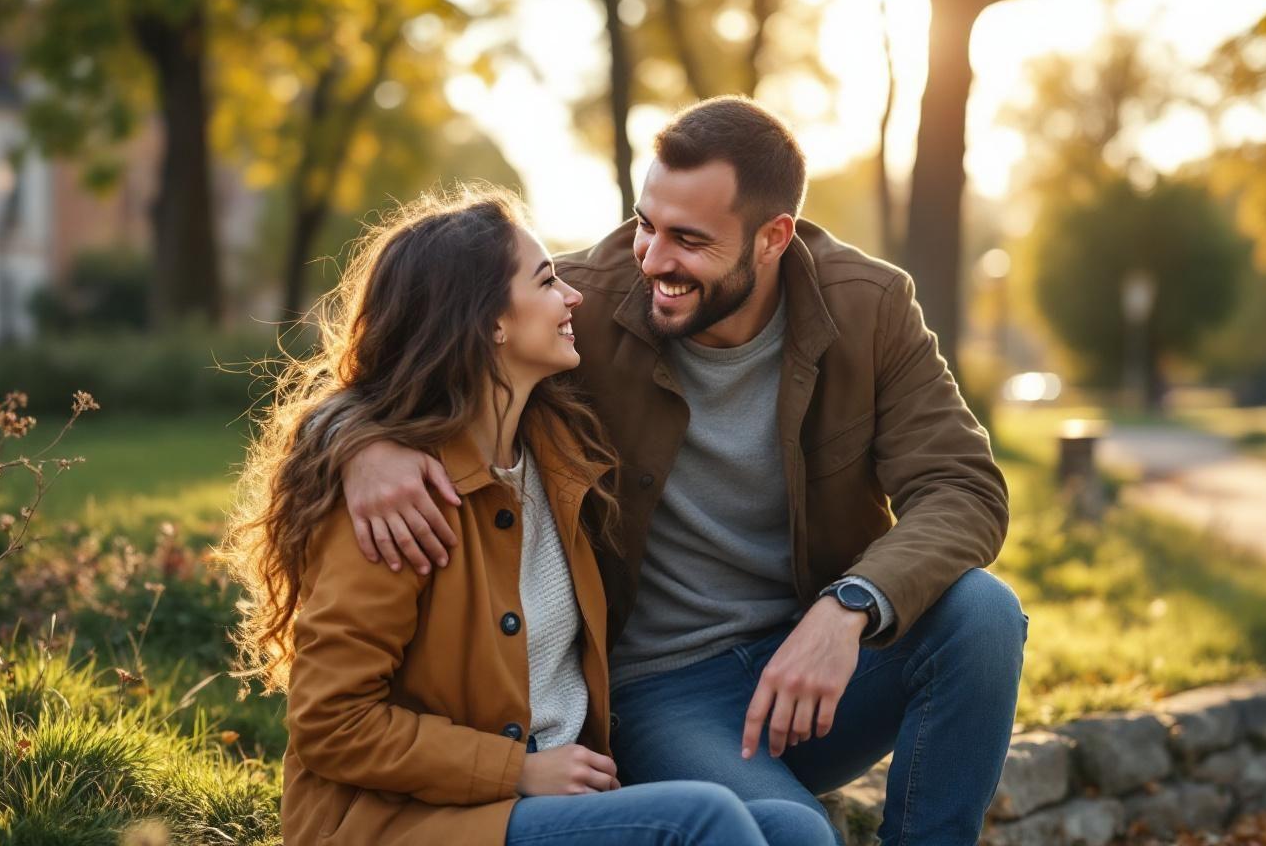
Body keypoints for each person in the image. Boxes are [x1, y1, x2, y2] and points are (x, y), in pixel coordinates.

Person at [340, 99, 1028, 846]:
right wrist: (356, 441)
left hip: (812, 663)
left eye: (689, 240)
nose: (654, 259)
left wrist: (849, 608)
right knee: (796, 835)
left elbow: (965, 488)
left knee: (982, 614)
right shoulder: (582, 303)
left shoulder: (870, 306)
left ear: (773, 239)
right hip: (663, 691)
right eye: (647, 224)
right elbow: (405, 355)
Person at [221, 188, 834, 846]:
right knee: (700, 822)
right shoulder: (397, 501)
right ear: (488, 321)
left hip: (554, 802)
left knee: (795, 829)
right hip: (408, 825)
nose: (572, 297)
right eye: (546, 282)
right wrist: (515, 771)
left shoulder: (560, 450)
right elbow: (329, 724)